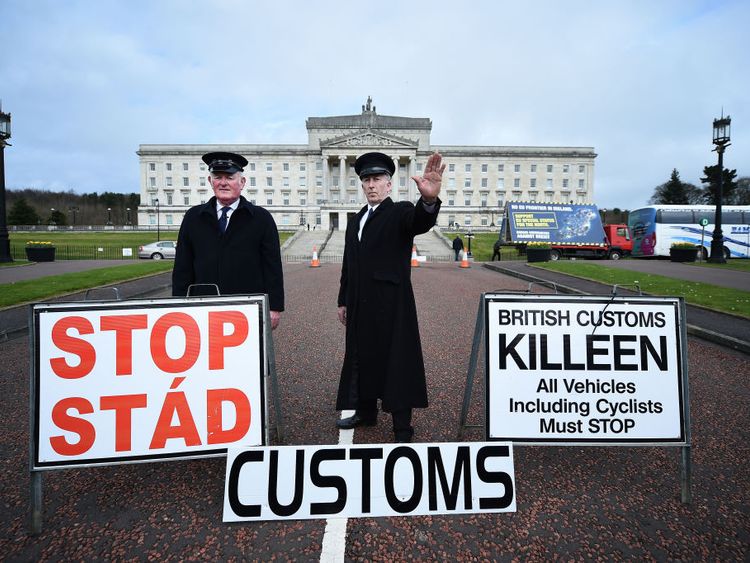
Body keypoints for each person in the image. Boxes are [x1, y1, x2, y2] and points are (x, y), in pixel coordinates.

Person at [335, 151, 445, 442]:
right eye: (366, 180)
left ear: (389, 185)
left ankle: (402, 426)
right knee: (361, 356)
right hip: (360, 304)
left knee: (397, 361)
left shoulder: (399, 212)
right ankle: (365, 412)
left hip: (391, 305)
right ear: (362, 185)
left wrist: (429, 201)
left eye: (378, 179)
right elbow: (349, 263)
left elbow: (420, 221)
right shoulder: (356, 219)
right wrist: (343, 299)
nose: (371, 184)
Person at [172, 151, 284, 329]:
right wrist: (177, 305)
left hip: (248, 307)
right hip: (202, 305)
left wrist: (275, 307)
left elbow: (272, 267)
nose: (223, 182)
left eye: (230, 177)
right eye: (217, 177)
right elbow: (182, 266)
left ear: (242, 182)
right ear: (210, 181)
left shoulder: (262, 218)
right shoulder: (193, 217)